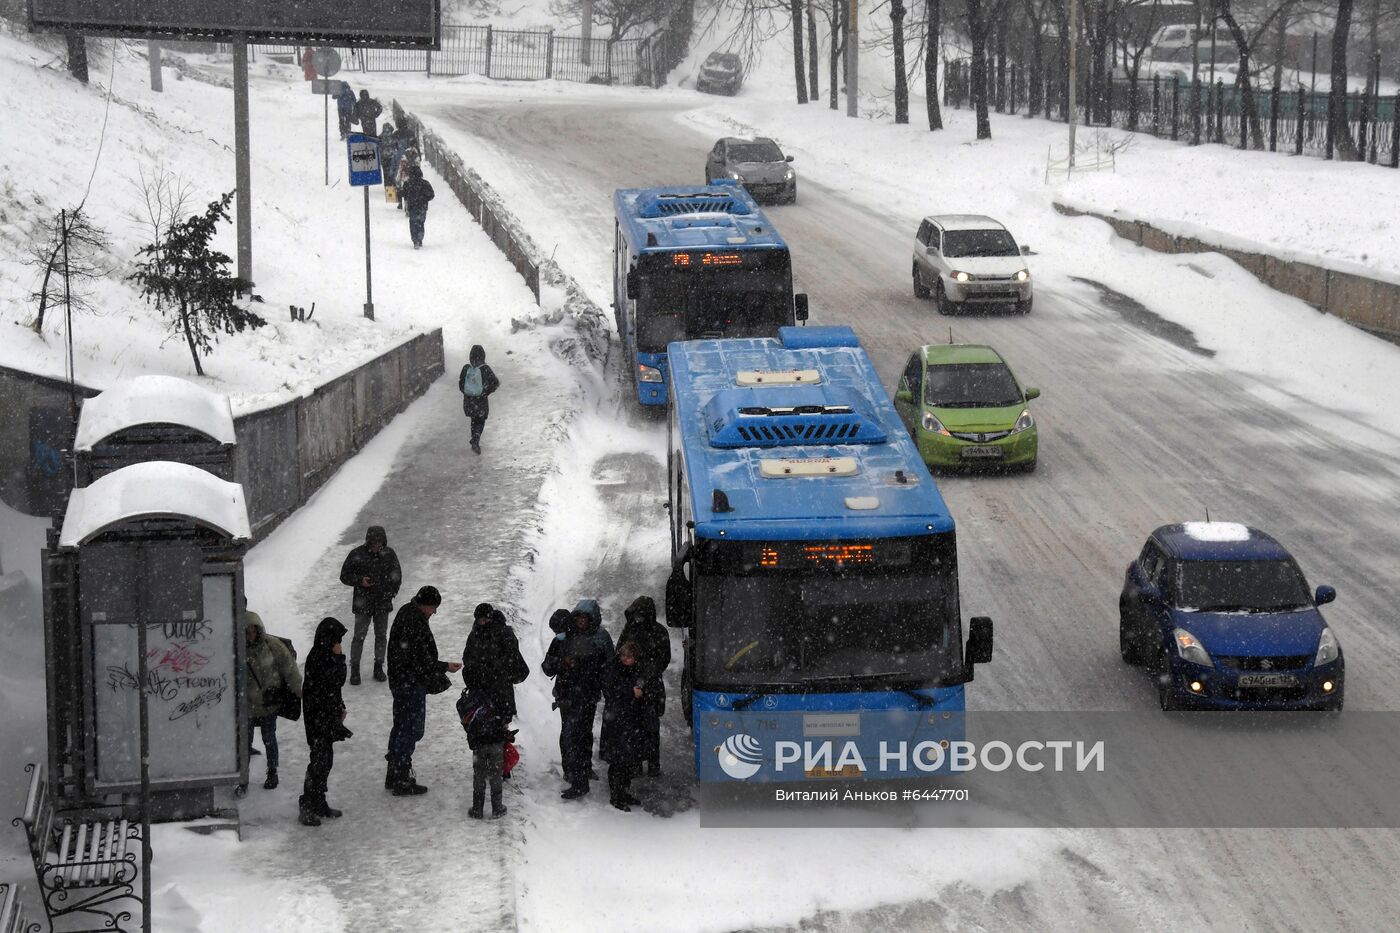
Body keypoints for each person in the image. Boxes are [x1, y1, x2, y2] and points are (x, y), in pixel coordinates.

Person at [385, 585, 462, 796]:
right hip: (409, 683)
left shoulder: (407, 612)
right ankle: (401, 776)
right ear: (424, 604)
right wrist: (444, 666)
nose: (434, 612)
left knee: (401, 725)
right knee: (411, 728)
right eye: (433, 608)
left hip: (401, 681)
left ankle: (394, 773)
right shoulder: (414, 621)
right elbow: (419, 659)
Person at [542, 601, 612, 799]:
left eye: (585, 618)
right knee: (572, 735)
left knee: (582, 734)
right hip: (568, 696)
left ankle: (581, 771)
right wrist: (561, 662)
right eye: (579, 618)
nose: (582, 622)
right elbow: (547, 666)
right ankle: (575, 776)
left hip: (587, 696)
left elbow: (609, 665)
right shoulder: (563, 639)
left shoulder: (600, 638)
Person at [300, 617, 352, 827]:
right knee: (319, 761)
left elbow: (334, 688)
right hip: (318, 717)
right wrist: (339, 658)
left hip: (324, 715)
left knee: (325, 760)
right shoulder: (322, 656)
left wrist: (339, 707)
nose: (339, 643)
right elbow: (336, 680)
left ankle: (318, 801)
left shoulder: (321, 653)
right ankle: (308, 804)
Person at [244, 607, 302, 791]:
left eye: (253, 631)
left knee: (269, 738)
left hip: (268, 704)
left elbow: (290, 668)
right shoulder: (236, 647)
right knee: (244, 742)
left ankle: (272, 771)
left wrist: (297, 689)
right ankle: (242, 776)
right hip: (246, 706)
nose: (250, 635)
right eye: (246, 632)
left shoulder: (272, 645)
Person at [338, 525, 402, 685]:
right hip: (363, 604)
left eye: (379, 543)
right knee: (359, 637)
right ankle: (355, 669)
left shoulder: (389, 554)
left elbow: (397, 576)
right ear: (368, 542)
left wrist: (391, 594)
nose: (376, 545)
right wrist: (360, 581)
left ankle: (378, 666)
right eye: (373, 542)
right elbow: (344, 576)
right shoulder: (356, 554)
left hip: (382, 603)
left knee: (381, 636)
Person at [619, 596, 670, 776]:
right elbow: (621, 652)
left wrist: (645, 674)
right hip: (638, 685)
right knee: (636, 726)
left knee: (650, 726)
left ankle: (652, 763)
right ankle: (638, 762)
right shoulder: (631, 630)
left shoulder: (658, 632)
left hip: (651, 687)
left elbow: (663, 659)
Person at [600, 641, 648, 811]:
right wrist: (631, 691)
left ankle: (624, 792)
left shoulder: (638, 669)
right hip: (617, 722)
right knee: (617, 761)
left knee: (628, 761)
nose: (626, 659)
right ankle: (616, 795)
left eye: (629, 657)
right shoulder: (612, 668)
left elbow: (646, 688)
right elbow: (610, 690)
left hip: (631, 721)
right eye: (624, 656)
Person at [458, 345, 501, 455]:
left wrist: (468, 393)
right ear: (483, 356)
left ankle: (474, 438)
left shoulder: (466, 369)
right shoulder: (485, 369)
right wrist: (484, 392)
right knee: (480, 420)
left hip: (469, 402)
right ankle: (476, 438)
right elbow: (496, 383)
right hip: (481, 401)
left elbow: (461, 384)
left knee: (473, 419)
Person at [399, 164, 435, 250]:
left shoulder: (408, 183)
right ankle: (419, 238)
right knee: (420, 223)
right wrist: (424, 199)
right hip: (423, 206)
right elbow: (432, 195)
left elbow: (403, 194)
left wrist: (402, 194)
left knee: (413, 223)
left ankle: (415, 240)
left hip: (412, 206)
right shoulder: (425, 183)